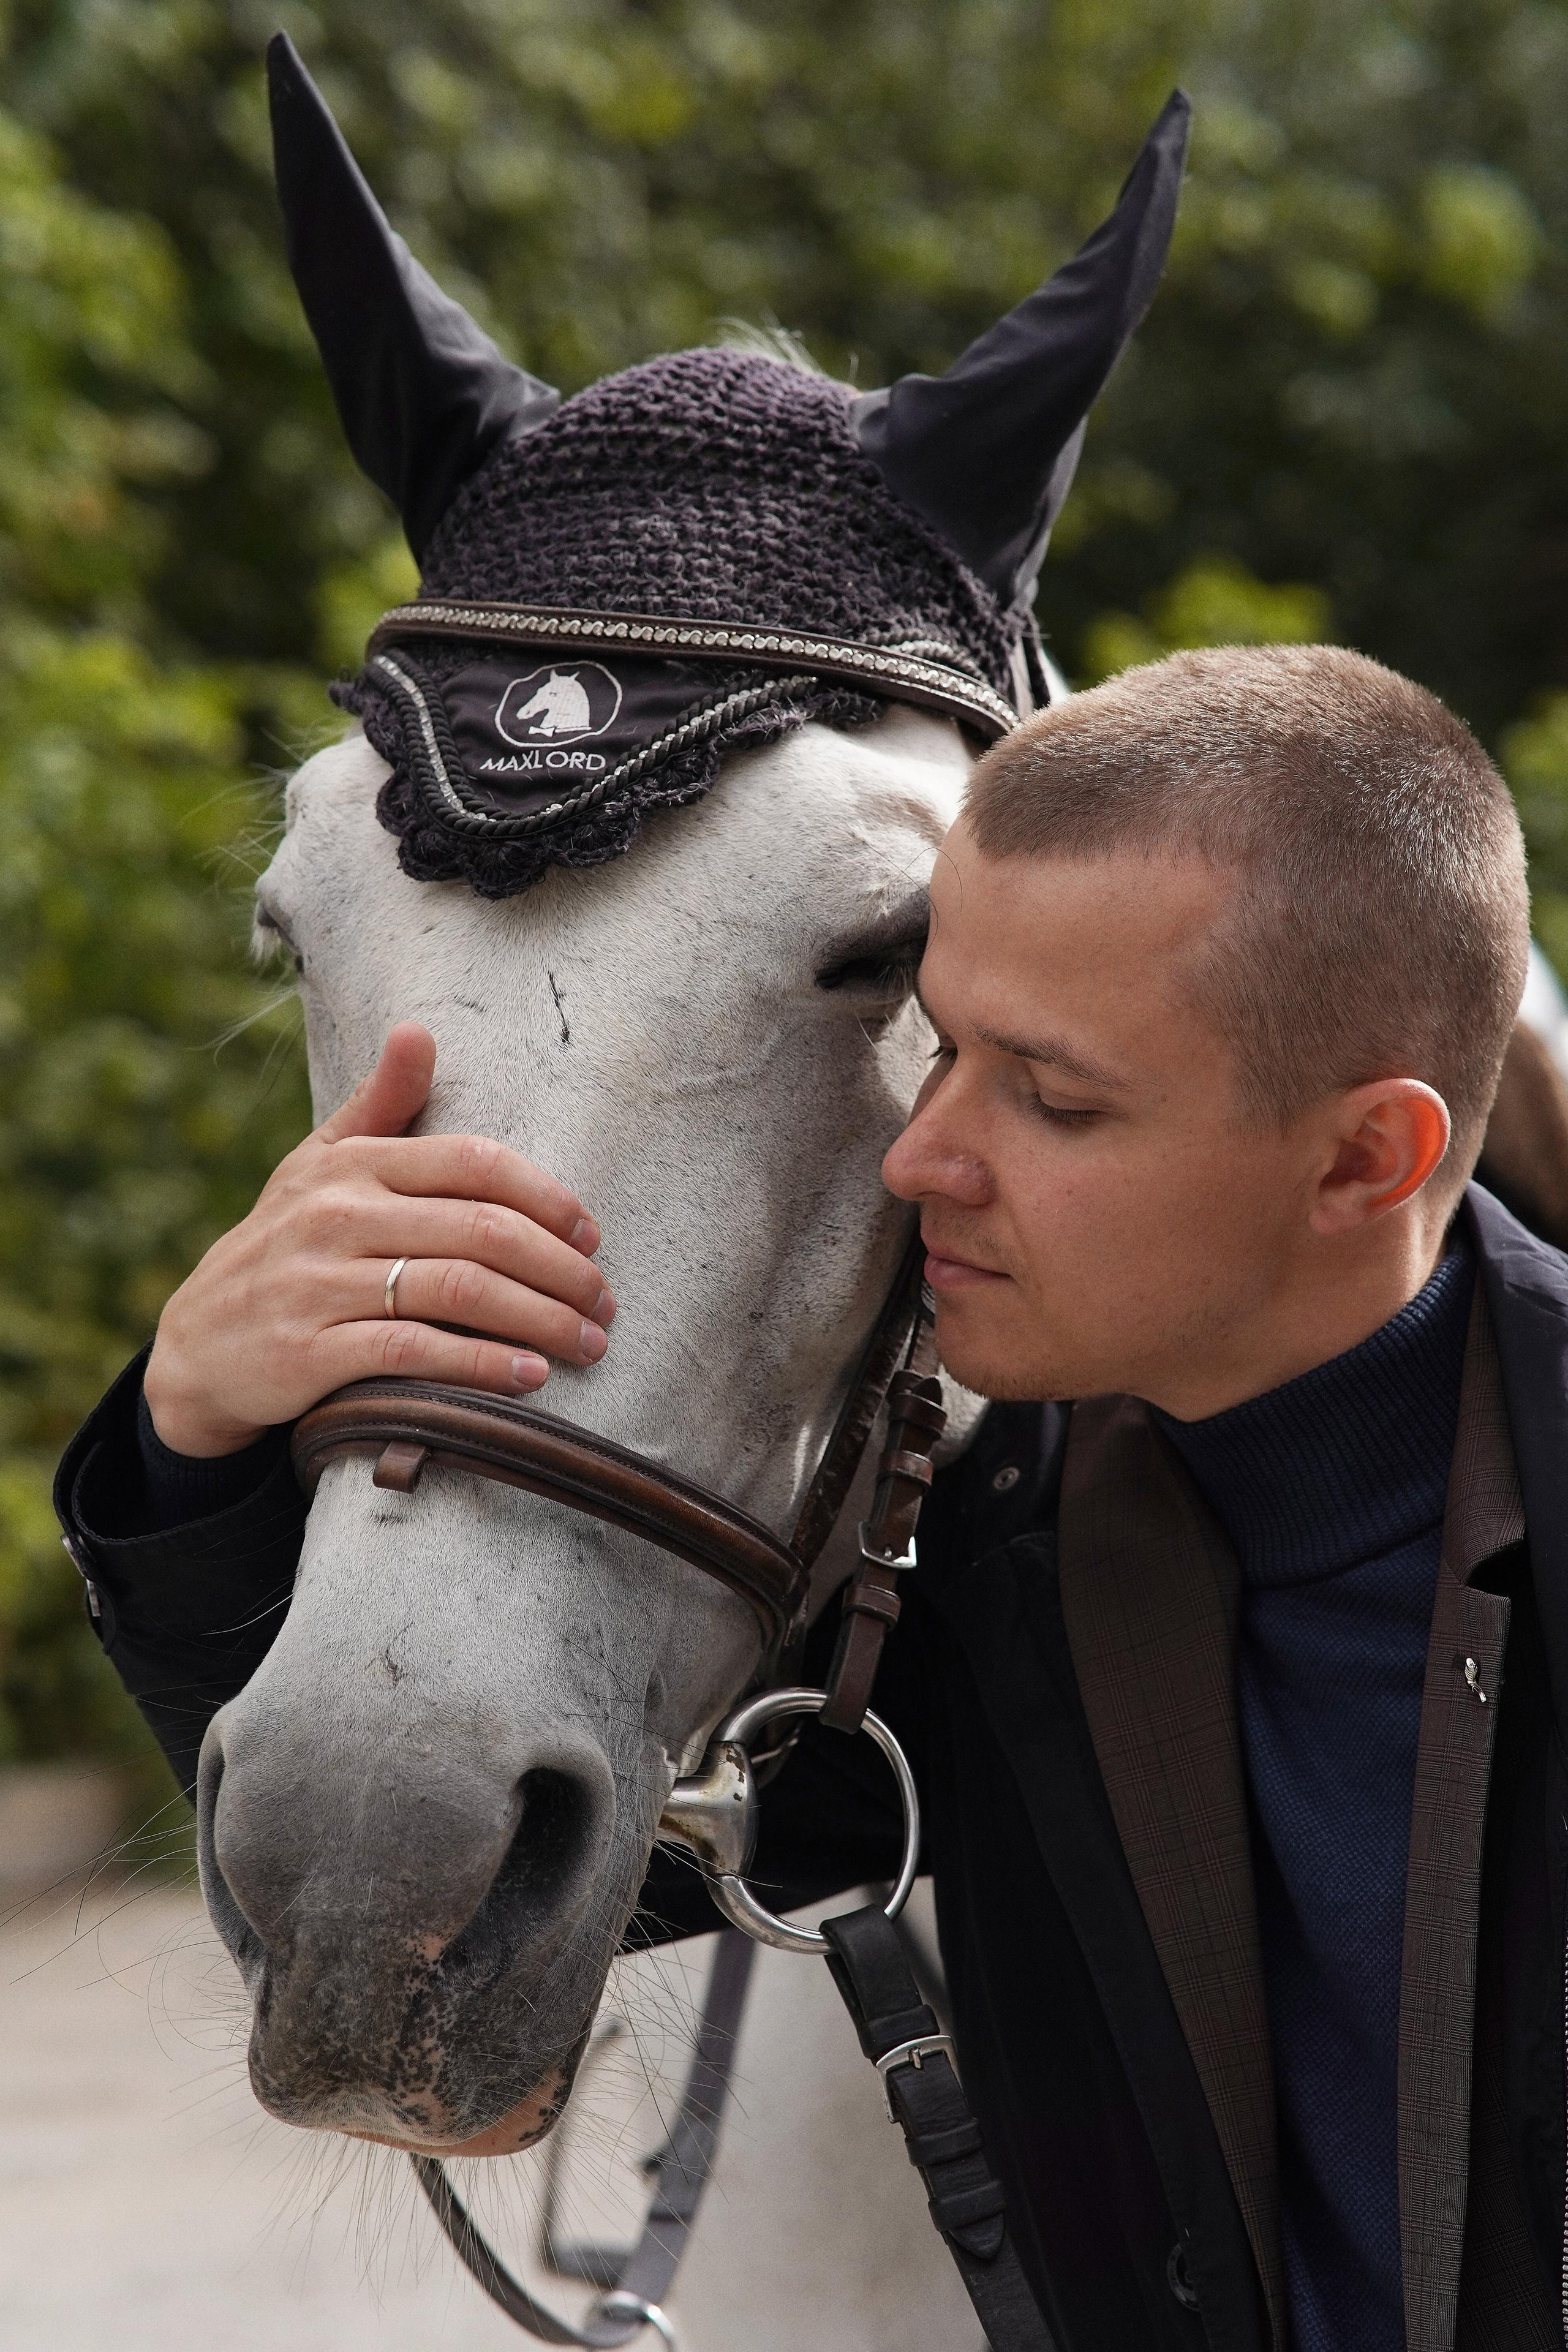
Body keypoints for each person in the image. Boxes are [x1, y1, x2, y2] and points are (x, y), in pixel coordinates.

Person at [55, 643, 1568, 2352]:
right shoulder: (1014, 1585)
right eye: (944, 1049)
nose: (919, 1158)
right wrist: (192, 1433)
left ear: (1368, 1156)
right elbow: (486, 1890)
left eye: (1053, 1094)